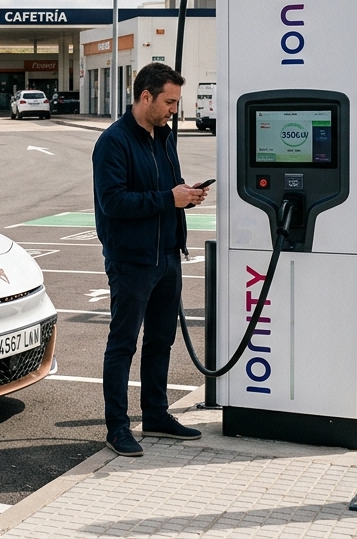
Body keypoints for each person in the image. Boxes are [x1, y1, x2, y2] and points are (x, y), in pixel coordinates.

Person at [92, 62, 210, 456]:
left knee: (161, 339)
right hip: (132, 260)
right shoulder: (114, 142)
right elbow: (113, 202)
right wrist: (167, 199)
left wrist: (185, 195)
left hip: (167, 254)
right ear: (146, 96)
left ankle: (156, 414)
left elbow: (164, 191)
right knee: (123, 342)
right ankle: (117, 427)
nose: (175, 109)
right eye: (169, 101)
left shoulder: (163, 137)